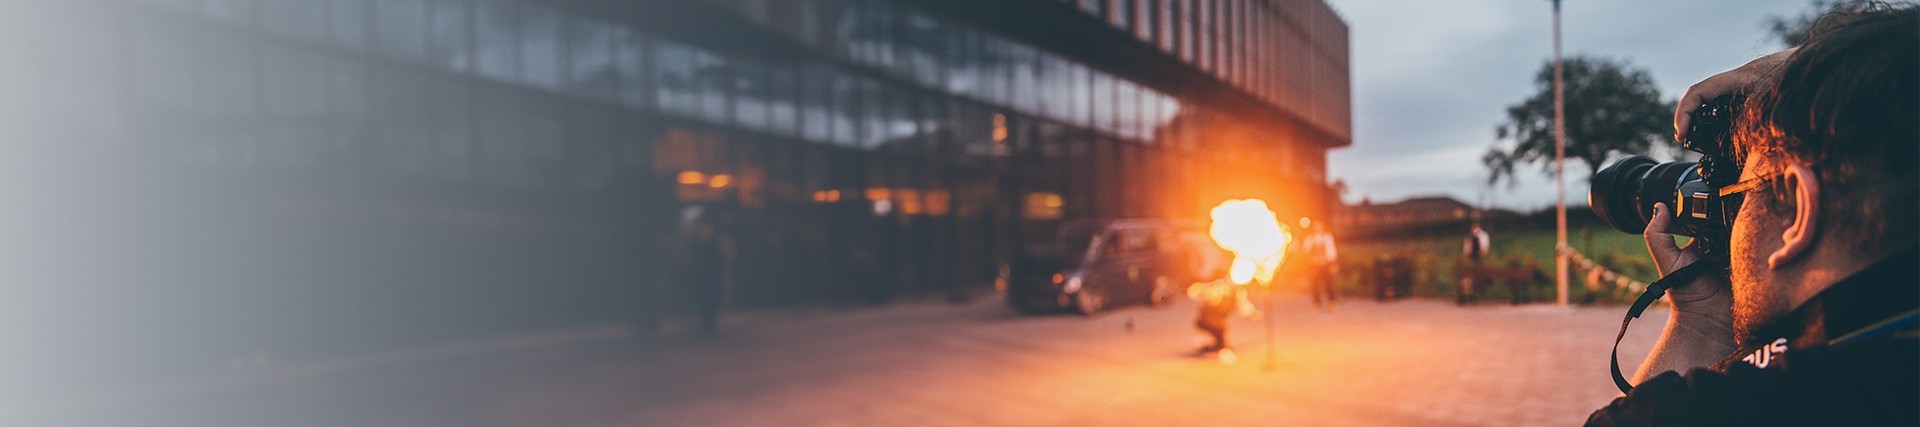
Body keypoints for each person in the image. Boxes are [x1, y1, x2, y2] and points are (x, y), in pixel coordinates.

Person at [1587, 5, 1916, 425]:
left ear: (1797, 209)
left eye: (1741, 188)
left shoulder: (1719, 411)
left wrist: (1699, 327)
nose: (1731, 218)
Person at [1187, 278, 1258, 363]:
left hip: (1218, 321)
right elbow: (1193, 292)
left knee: (1221, 329)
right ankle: (1224, 350)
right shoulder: (1219, 287)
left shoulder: (1238, 293)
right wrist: (1209, 293)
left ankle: (1218, 347)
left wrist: (1253, 313)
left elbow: (1244, 306)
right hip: (1204, 320)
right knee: (1221, 328)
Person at [1296, 217, 1340, 311]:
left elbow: (1331, 251)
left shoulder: (1327, 237)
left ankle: (1332, 301)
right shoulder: (1309, 238)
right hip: (1314, 264)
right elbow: (1305, 251)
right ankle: (1317, 303)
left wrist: (1333, 263)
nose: (1317, 227)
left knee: (1329, 283)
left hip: (1325, 263)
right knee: (1315, 284)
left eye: (1319, 225)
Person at [1459, 221, 1491, 303]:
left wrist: (1482, 252)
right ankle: (1471, 294)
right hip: (1472, 257)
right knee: (1470, 276)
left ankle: (1477, 292)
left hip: (1478, 256)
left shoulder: (1482, 235)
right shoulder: (1470, 235)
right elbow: (1467, 246)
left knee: (1477, 275)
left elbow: (1484, 245)